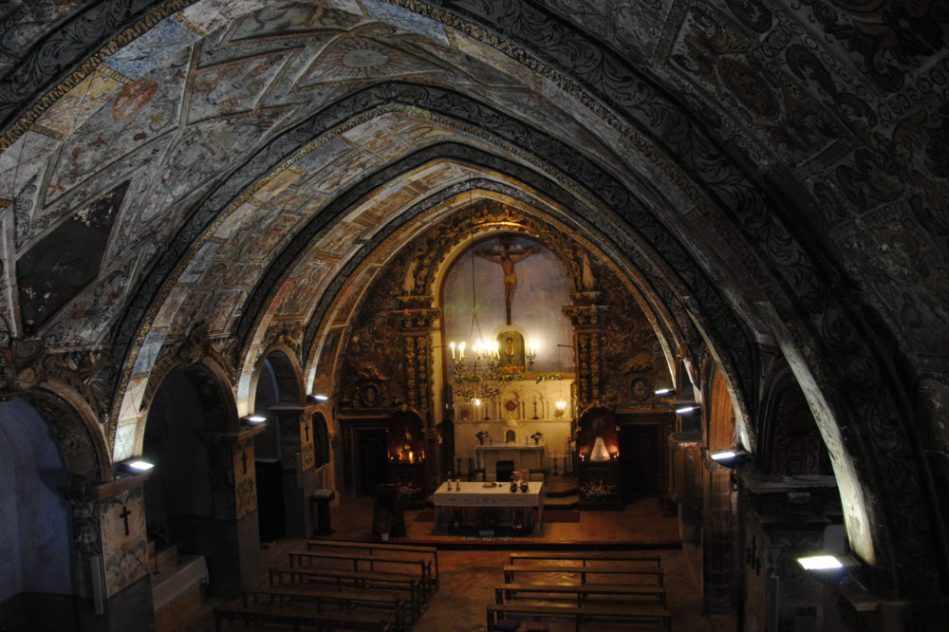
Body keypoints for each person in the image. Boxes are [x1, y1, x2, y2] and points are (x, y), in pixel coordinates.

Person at [476, 239, 539, 324]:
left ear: (506, 254)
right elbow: (491, 258)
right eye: (500, 253)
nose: (501, 254)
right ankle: (507, 303)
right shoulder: (501, 262)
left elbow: (522, 256)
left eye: (502, 253)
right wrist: (482, 255)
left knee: (510, 290)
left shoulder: (512, 260)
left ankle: (509, 302)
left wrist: (529, 251)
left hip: (512, 277)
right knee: (506, 290)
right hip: (506, 278)